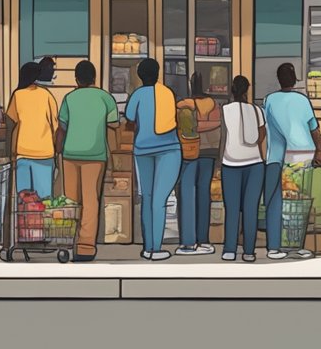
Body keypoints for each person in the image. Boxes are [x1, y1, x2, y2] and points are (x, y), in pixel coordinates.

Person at [262, 64, 321, 260]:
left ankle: (276, 246)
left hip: (276, 156)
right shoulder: (302, 100)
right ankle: (297, 245)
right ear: (293, 79)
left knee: (277, 202)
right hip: (303, 155)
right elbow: (314, 129)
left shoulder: (269, 100)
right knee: (299, 203)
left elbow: (265, 127)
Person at [55, 60, 119, 262]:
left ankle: (67, 241)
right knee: (91, 200)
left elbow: (61, 129)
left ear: (76, 79)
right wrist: (114, 157)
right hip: (95, 156)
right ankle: (85, 247)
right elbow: (113, 128)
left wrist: (57, 151)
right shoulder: (105, 98)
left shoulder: (69, 98)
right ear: (94, 78)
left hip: (70, 154)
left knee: (71, 200)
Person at [123, 58, 182, 261]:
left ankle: (148, 247)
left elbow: (129, 118)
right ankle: (156, 248)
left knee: (147, 198)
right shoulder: (168, 93)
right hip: (169, 150)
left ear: (140, 76)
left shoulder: (137, 94)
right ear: (158, 73)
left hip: (142, 149)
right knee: (160, 199)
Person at [220, 76, 266, 262]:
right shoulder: (257, 110)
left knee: (231, 209)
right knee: (250, 209)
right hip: (255, 163)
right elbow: (261, 135)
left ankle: (230, 249)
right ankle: (249, 251)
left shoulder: (224, 110)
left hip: (230, 163)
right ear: (248, 89)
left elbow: (221, 138)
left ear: (231, 90)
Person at [176, 72, 221, 256]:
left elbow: (179, 111)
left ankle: (188, 241)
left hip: (191, 151)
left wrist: (196, 126)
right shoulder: (214, 104)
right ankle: (203, 240)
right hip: (210, 152)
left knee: (187, 192)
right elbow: (218, 123)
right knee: (204, 193)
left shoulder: (187, 104)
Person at [6, 62, 58, 198]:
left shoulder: (17, 95)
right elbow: (55, 125)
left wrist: (10, 152)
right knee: (44, 199)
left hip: (22, 153)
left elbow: (10, 124)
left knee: (24, 200)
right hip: (44, 154)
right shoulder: (46, 95)